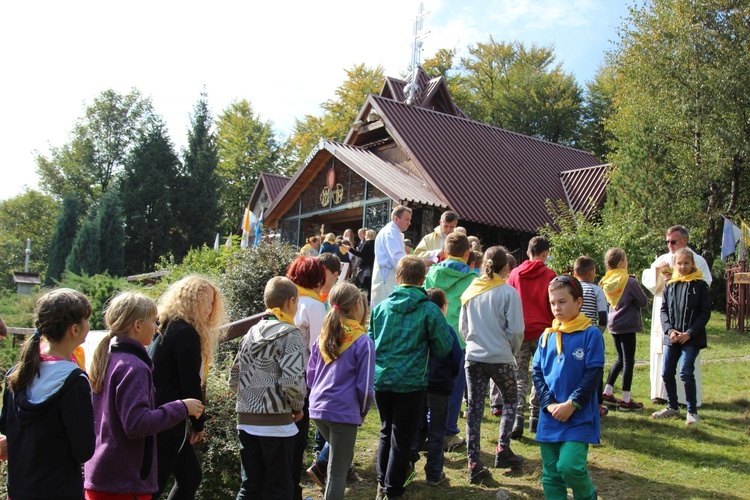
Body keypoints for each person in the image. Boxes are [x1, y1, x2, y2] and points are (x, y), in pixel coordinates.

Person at [85, 292, 204, 499]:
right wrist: (181, 407)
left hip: (103, 474)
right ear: (138, 326)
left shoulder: (109, 359)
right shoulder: (134, 367)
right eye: (154, 321)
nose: (157, 328)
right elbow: (136, 424)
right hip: (124, 482)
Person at [369, 255, 454, 499]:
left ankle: (381, 484)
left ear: (397, 278)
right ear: (422, 279)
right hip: (411, 382)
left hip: (383, 380)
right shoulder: (429, 309)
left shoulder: (381, 308)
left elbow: (371, 341)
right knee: (402, 437)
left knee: (387, 431)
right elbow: (444, 347)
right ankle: (393, 490)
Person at [0, 289, 95, 499]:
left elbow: (5, 426)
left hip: (19, 489)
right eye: (87, 319)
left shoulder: (17, 374)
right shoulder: (74, 381)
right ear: (75, 329)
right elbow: (84, 450)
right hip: (58, 490)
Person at [229, 277, 306, 499]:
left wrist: (250, 397)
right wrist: (297, 406)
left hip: (246, 419)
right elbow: (291, 379)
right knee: (279, 488)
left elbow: (234, 376)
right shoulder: (290, 334)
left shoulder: (251, 332)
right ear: (291, 302)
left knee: (250, 486)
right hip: (277, 422)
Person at [152, 276, 227, 499]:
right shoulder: (186, 333)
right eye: (208, 302)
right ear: (194, 301)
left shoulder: (167, 325)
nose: (211, 309)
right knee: (155, 486)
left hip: (162, 414)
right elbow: (189, 383)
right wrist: (198, 423)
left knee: (190, 476)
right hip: (169, 419)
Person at [532, 276, 605, 500]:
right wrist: (550, 403)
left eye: (562, 302)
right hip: (550, 416)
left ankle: (588, 496)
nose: (556, 308)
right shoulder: (547, 335)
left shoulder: (590, 334)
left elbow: (593, 373)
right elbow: (537, 372)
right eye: (553, 303)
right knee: (551, 474)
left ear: (579, 302)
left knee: (569, 466)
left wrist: (571, 404)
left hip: (579, 415)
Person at [460, 247, 525, 484]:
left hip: (474, 357)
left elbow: (463, 327)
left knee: (475, 409)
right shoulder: (508, 293)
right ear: (506, 267)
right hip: (500, 356)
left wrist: (472, 344)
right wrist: (510, 349)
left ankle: (474, 462)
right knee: (510, 400)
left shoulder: (471, 290)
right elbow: (517, 329)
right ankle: (502, 449)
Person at [307, 283, 375, 500]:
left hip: (317, 409)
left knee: (339, 458)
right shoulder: (363, 341)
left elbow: (310, 376)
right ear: (358, 305)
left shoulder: (323, 337)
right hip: (343, 411)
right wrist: (362, 411)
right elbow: (364, 387)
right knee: (336, 472)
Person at [642, 225, 711, 405]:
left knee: (687, 363)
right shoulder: (662, 259)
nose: (670, 245)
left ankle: (685, 399)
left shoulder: (697, 260)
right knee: (663, 356)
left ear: (685, 241)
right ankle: (660, 394)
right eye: (667, 242)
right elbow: (650, 282)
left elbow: (704, 285)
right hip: (667, 316)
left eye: (673, 241)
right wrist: (659, 274)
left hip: (688, 319)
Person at [423, 232, 476, 451]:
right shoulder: (473, 278)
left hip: (432, 334)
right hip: (459, 339)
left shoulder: (431, 273)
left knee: (430, 384)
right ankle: (449, 432)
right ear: (467, 253)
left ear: (445, 252)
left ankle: (427, 428)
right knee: (454, 388)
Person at [653, 248, 711, 426]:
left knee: (686, 371)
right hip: (673, 337)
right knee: (666, 372)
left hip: (691, 338)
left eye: (686, 263)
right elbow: (664, 311)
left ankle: (692, 411)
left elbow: (705, 313)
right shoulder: (670, 285)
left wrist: (690, 333)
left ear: (692, 264)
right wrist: (670, 330)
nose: (683, 266)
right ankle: (672, 407)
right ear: (674, 265)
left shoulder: (700, 285)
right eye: (679, 263)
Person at [410, 288, 462, 486]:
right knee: (437, 430)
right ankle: (433, 472)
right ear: (442, 307)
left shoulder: (417, 328)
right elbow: (456, 358)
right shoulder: (446, 330)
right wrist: (450, 377)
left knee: (417, 427)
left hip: (419, 384)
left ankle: (409, 461)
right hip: (440, 386)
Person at [286, 256, 329, 499]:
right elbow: (319, 349)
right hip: (299, 383)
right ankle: (292, 491)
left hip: (276, 382)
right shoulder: (313, 305)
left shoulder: (287, 299)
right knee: (295, 441)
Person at [507, 236, 557, 437]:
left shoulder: (515, 274)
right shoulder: (550, 275)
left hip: (520, 330)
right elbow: (552, 304)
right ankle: (535, 417)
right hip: (543, 331)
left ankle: (517, 417)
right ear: (545, 254)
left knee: (519, 375)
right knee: (542, 375)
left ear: (528, 252)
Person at [600, 248, 648, 411]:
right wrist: (636, 283)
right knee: (628, 361)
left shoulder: (607, 280)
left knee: (620, 358)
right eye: (625, 260)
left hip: (613, 323)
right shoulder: (629, 281)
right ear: (621, 263)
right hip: (627, 324)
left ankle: (607, 392)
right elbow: (643, 302)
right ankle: (626, 400)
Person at [574, 256, 609, 416]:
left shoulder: (572, 289)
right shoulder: (596, 290)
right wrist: (598, 332)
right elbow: (603, 316)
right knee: (595, 368)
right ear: (592, 272)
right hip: (590, 332)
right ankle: (597, 404)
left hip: (573, 333)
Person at [371, 205, 412, 308]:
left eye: (410, 220)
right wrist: (416, 263)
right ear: (396, 219)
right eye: (407, 219)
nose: (409, 223)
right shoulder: (390, 232)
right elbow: (397, 258)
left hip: (390, 274)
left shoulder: (395, 232)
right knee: (385, 308)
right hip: (387, 276)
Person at [349, 229, 376, 295]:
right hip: (372, 267)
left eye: (366, 235)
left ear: (369, 235)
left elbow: (361, 254)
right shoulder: (376, 243)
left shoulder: (367, 243)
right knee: (369, 286)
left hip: (364, 267)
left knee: (361, 284)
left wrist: (350, 249)